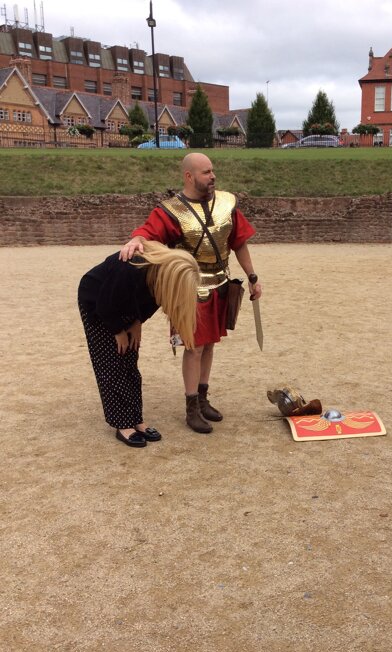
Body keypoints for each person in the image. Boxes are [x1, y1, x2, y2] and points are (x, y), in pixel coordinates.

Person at [120, 152, 262, 435]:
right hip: (188, 289)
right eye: (206, 172)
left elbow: (239, 243)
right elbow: (147, 232)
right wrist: (136, 238)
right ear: (189, 176)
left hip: (220, 283)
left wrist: (252, 277)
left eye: (212, 170)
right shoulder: (171, 211)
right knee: (193, 347)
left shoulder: (226, 203)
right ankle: (191, 407)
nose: (213, 176)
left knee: (209, 345)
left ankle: (203, 398)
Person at [78, 240, 200, 447]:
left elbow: (154, 300)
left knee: (130, 365)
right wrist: (118, 331)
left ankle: (136, 418)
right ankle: (122, 424)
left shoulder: (160, 278)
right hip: (98, 305)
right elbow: (105, 304)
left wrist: (137, 322)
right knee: (112, 365)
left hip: (126, 305)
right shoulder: (129, 268)